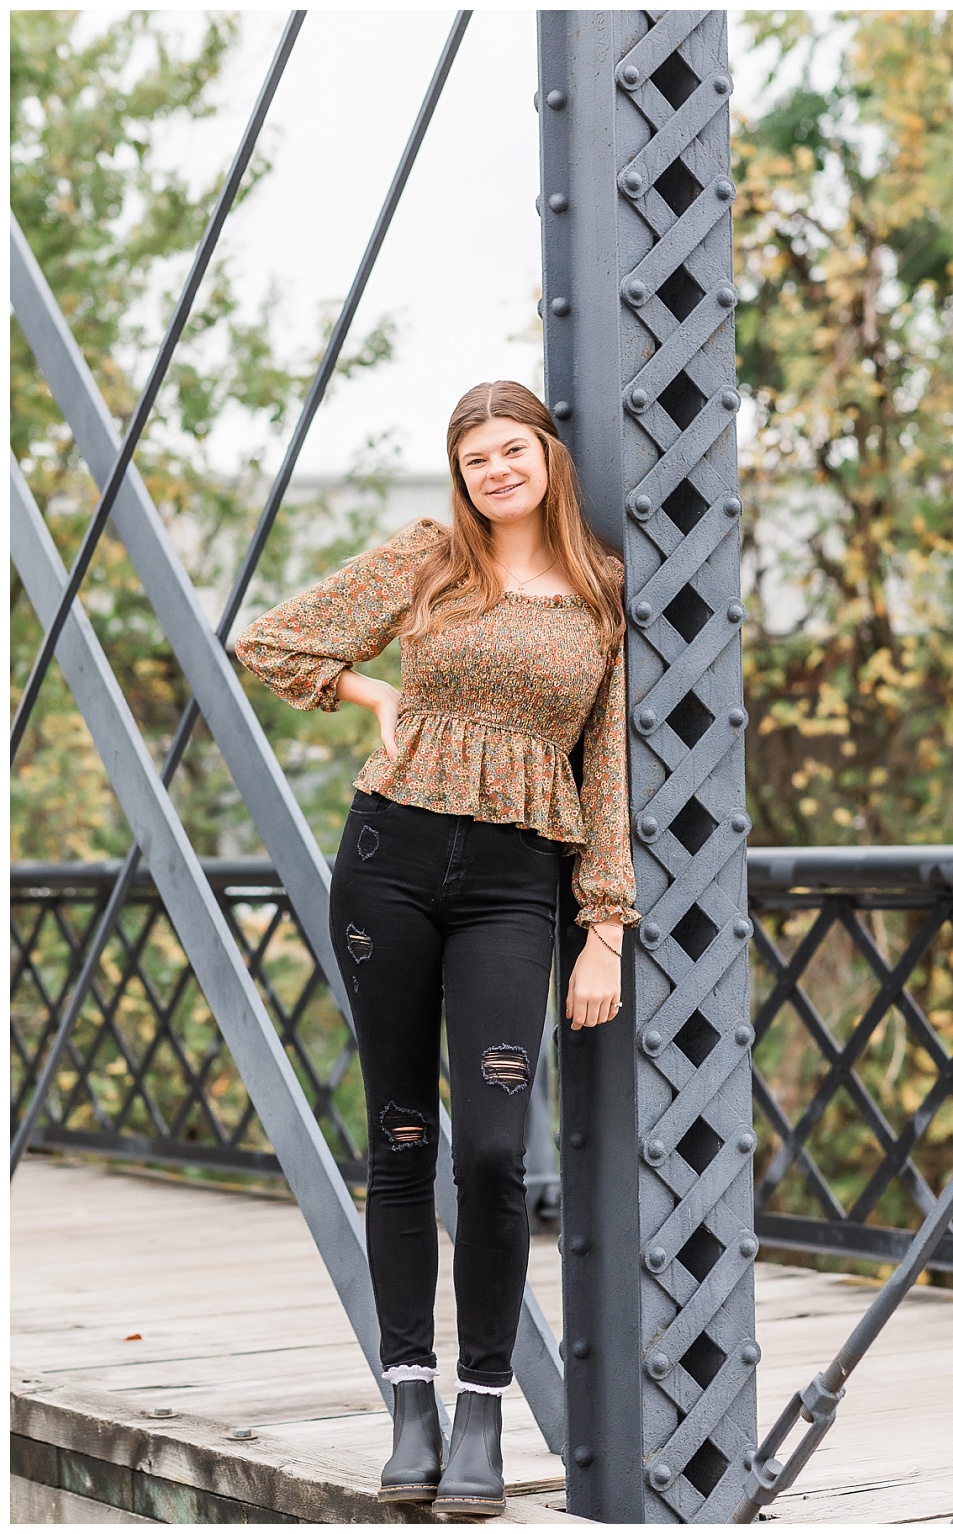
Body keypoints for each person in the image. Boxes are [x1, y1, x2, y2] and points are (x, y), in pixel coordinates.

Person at [236, 380, 635, 1517]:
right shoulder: (428, 559)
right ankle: (409, 1406)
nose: (496, 472)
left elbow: (607, 767)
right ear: (459, 476)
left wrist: (603, 930)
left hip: (515, 884)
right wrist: (373, 696)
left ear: (548, 456)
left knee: (497, 1153)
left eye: (513, 450)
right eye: (475, 460)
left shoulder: (604, 593)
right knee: (402, 1133)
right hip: (390, 860)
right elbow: (272, 640)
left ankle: (482, 1408)